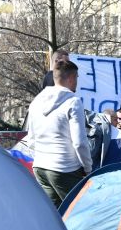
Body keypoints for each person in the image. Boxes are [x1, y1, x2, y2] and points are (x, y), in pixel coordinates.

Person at [25, 59, 92, 205]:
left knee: (52, 218)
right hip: (64, 167)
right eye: (77, 78)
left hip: (41, 166)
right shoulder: (73, 102)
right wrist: (88, 168)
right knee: (78, 213)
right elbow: (79, 142)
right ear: (71, 78)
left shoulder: (36, 101)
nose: (77, 82)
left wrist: (40, 157)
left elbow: (31, 139)